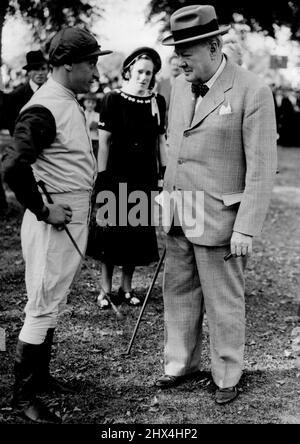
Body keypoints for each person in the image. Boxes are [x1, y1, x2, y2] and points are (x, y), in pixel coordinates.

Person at [155, 4, 278, 405]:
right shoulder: (176, 87)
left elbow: (262, 168)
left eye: (187, 50)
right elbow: (176, 150)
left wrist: (246, 226)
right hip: (179, 213)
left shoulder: (252, 89)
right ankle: (182, 364)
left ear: (213, 45)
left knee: (224, 301)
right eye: (177, 50)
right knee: (178, 294)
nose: (180, 58)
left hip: (223, 219)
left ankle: (227, 374)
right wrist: (166, 197)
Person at [2, 27, 112, 423]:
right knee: (42, 305)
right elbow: (13, 165)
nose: (96, 71)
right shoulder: (44, 106)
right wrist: (43, 210)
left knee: (53, 299)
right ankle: (22, 396)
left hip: (72, 215)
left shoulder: (65, 99)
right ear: (66, 66)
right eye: (91, 63)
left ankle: (42, 377)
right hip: (55, 221)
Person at [95, 47, 167, 309]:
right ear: (128, 71)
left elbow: (161, 141)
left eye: (149, 72)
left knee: (135, 233)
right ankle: (105, 289)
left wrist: (163, 175)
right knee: (112, 233)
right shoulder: (112, 100)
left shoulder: (156, 102)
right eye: (139, 71)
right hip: (115, 175)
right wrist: (102, 177)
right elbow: (104, 142)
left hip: (144, 176)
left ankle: (126, 287)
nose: (144, 76)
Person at [5, 50, 48, 136]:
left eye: (43, 69)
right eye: (35, 69)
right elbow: (12, 127)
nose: (40, 73)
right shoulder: (16, 96)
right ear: (28, 72)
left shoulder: (52, 92)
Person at [157, 53, 181, 120]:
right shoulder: (161, 83)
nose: (175, 67)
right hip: (162, 121)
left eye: (178, 65)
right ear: (170, 66)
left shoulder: (187, 84)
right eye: (173, 65)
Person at [83, 92, 100, 159]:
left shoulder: (98, 116)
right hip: (84, 141)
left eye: (93, 103)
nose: (90, 105)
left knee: (95, 158)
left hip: (95, 141)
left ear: (95, 104)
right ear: (84, 102)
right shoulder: (81, 114)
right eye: (88, 102)